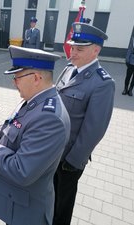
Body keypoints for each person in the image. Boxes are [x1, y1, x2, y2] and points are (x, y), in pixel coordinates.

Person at [0, 45, 71, 225]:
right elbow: (9, 130)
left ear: (36, 78)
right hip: (17, 203)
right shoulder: (34, 100)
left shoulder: (50, 118)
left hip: (27, 212)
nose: (14, 82)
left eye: (17, 77)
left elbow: (22, 169)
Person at [53, 22, 115, 225]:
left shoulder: (103, 83)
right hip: (52, 150)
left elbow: (94, 129)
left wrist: (73, 161)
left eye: (80, 48)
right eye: (72, 46)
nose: (73, 52)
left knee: (62, 203)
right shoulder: (69, 68)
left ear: (95, 50)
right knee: (49, 197)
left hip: (68, 159)